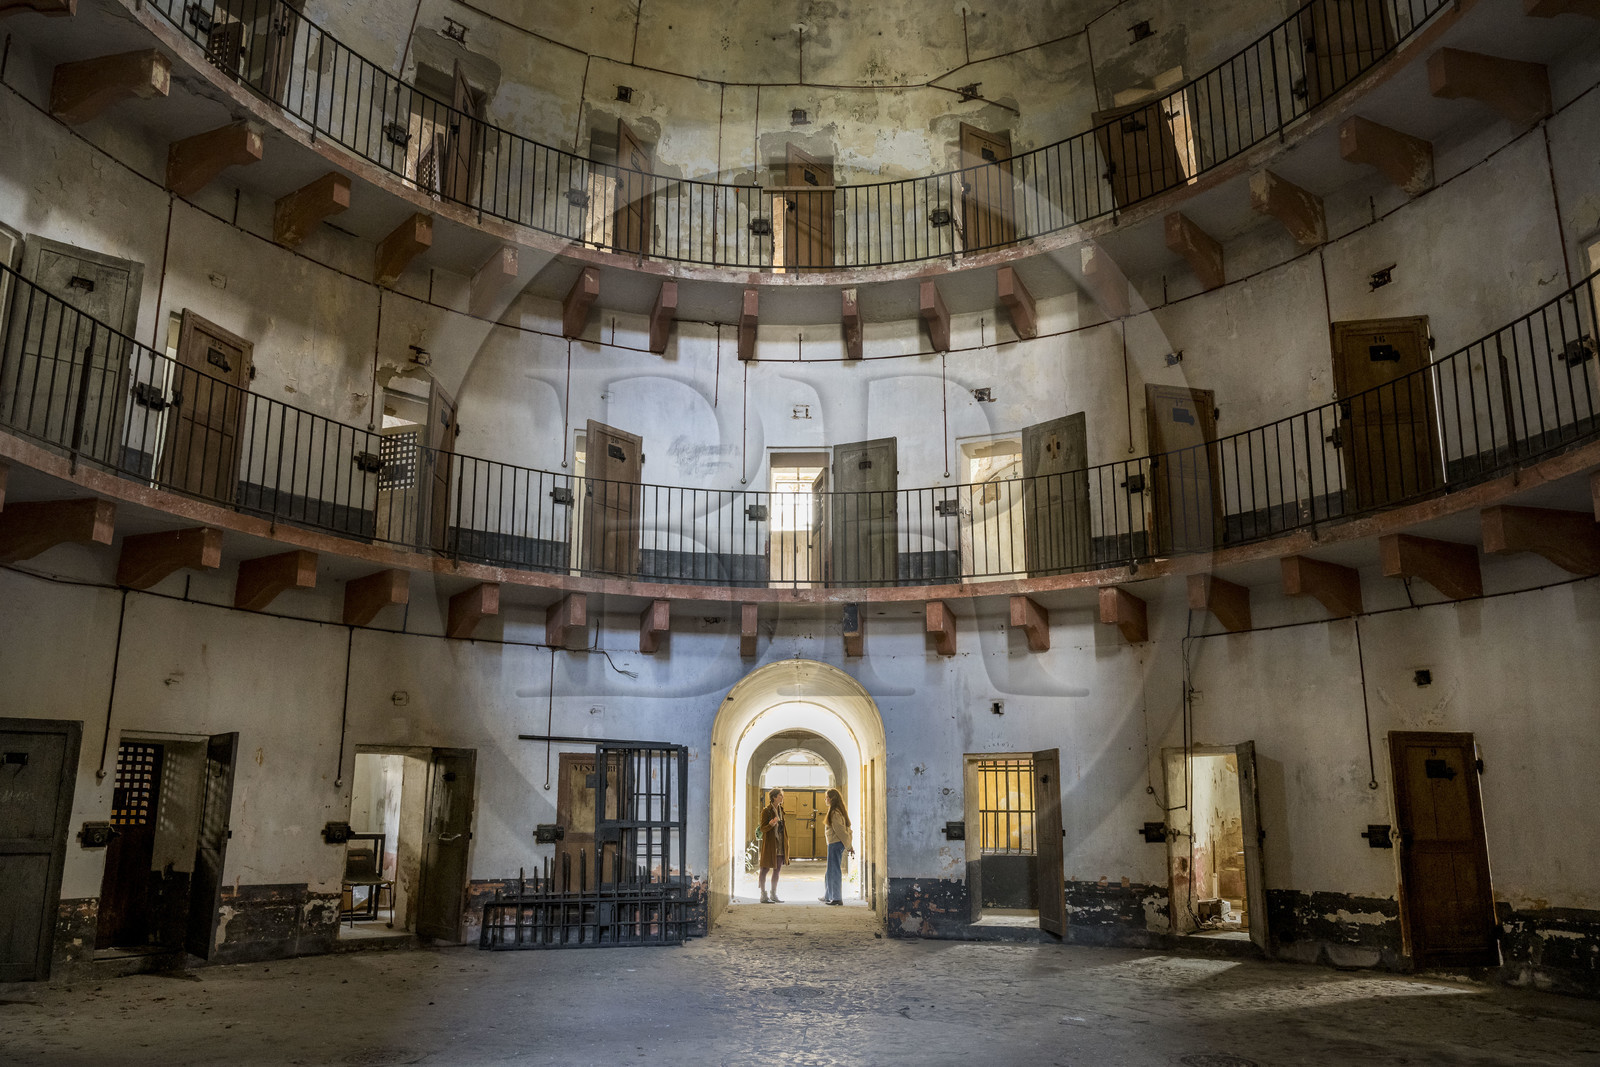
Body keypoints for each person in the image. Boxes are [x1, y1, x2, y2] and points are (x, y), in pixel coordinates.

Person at [821, 787, 854, 905]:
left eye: (827, 797)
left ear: (831, 799)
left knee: (834, 870)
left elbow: (840, 830)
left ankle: (836, 898)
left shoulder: (834, 813)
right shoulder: (837, 811)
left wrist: (849, 846)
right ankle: (828, 895)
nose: (825, 799)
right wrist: (849, 845)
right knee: (830, 870)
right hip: (834, 843)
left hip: (835, 843)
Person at [757, 787, 787, 903]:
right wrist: (770, 824)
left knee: (777, 869)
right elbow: (762, 828)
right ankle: (763, 895)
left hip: (779, 843)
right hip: (770, 844)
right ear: (774, 797)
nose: (782, 797)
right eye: (780, 795)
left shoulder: (781, 810)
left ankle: (773, 894)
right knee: (765, 869)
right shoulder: (766, 811)